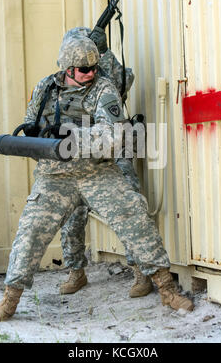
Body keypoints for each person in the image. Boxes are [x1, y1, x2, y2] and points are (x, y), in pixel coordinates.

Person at [0, 35, 194, 322]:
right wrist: (40, 142)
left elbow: (114, 134)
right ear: (67, 69)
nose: (91, 74)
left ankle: (167, 289)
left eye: (94, 68)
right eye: (84, 70)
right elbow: (33, 125)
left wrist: (72, 140)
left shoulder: (103, 89)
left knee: (133, 215)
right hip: (54, 175)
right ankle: (10, 299)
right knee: (30, 231)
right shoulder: (45, 88)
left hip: (96, 172)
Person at [58, 27, 151, 298]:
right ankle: (76, 271)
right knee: (71, 215)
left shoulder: (102, 70)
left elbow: (125, 81)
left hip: (112, 146)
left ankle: (141, 272)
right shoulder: (62, 78)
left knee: (128, 207)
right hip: (78, 150)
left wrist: (106, 53)